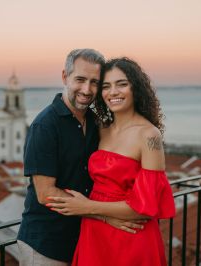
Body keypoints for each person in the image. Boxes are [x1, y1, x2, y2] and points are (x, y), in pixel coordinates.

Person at [17, 50, 145, 266]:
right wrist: (104, 216)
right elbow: (45, 194)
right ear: (65, 77)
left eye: (94, 82)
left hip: (84, 240)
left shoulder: (95, 123)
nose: (87, 90)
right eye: (80, 79)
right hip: (46, 245)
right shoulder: (45, 125)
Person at [47, 57, 176, 266]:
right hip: (95, 230)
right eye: (106, 86)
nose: (113, 92)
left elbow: (144, 208)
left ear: (136, 88)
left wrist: (86, 207)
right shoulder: (100, 128)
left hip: (131, 233)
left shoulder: (149, 135)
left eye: (121, 84)